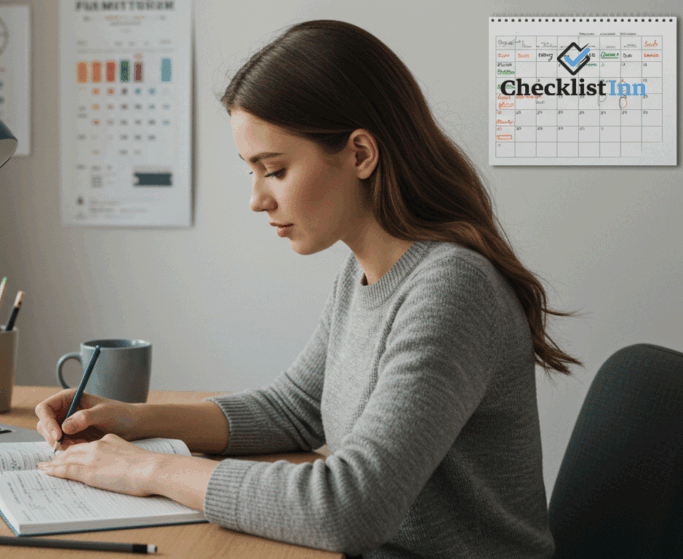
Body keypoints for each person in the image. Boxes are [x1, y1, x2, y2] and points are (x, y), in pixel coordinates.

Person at [34, 20, 579, 558]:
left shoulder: (452, 290)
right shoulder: (362, 274)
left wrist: (148, 469)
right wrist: (133, 419)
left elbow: (350, 507)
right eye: (251, 171)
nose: (257, 199)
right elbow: (294, 409)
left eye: (273, 170)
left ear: (360, 154)